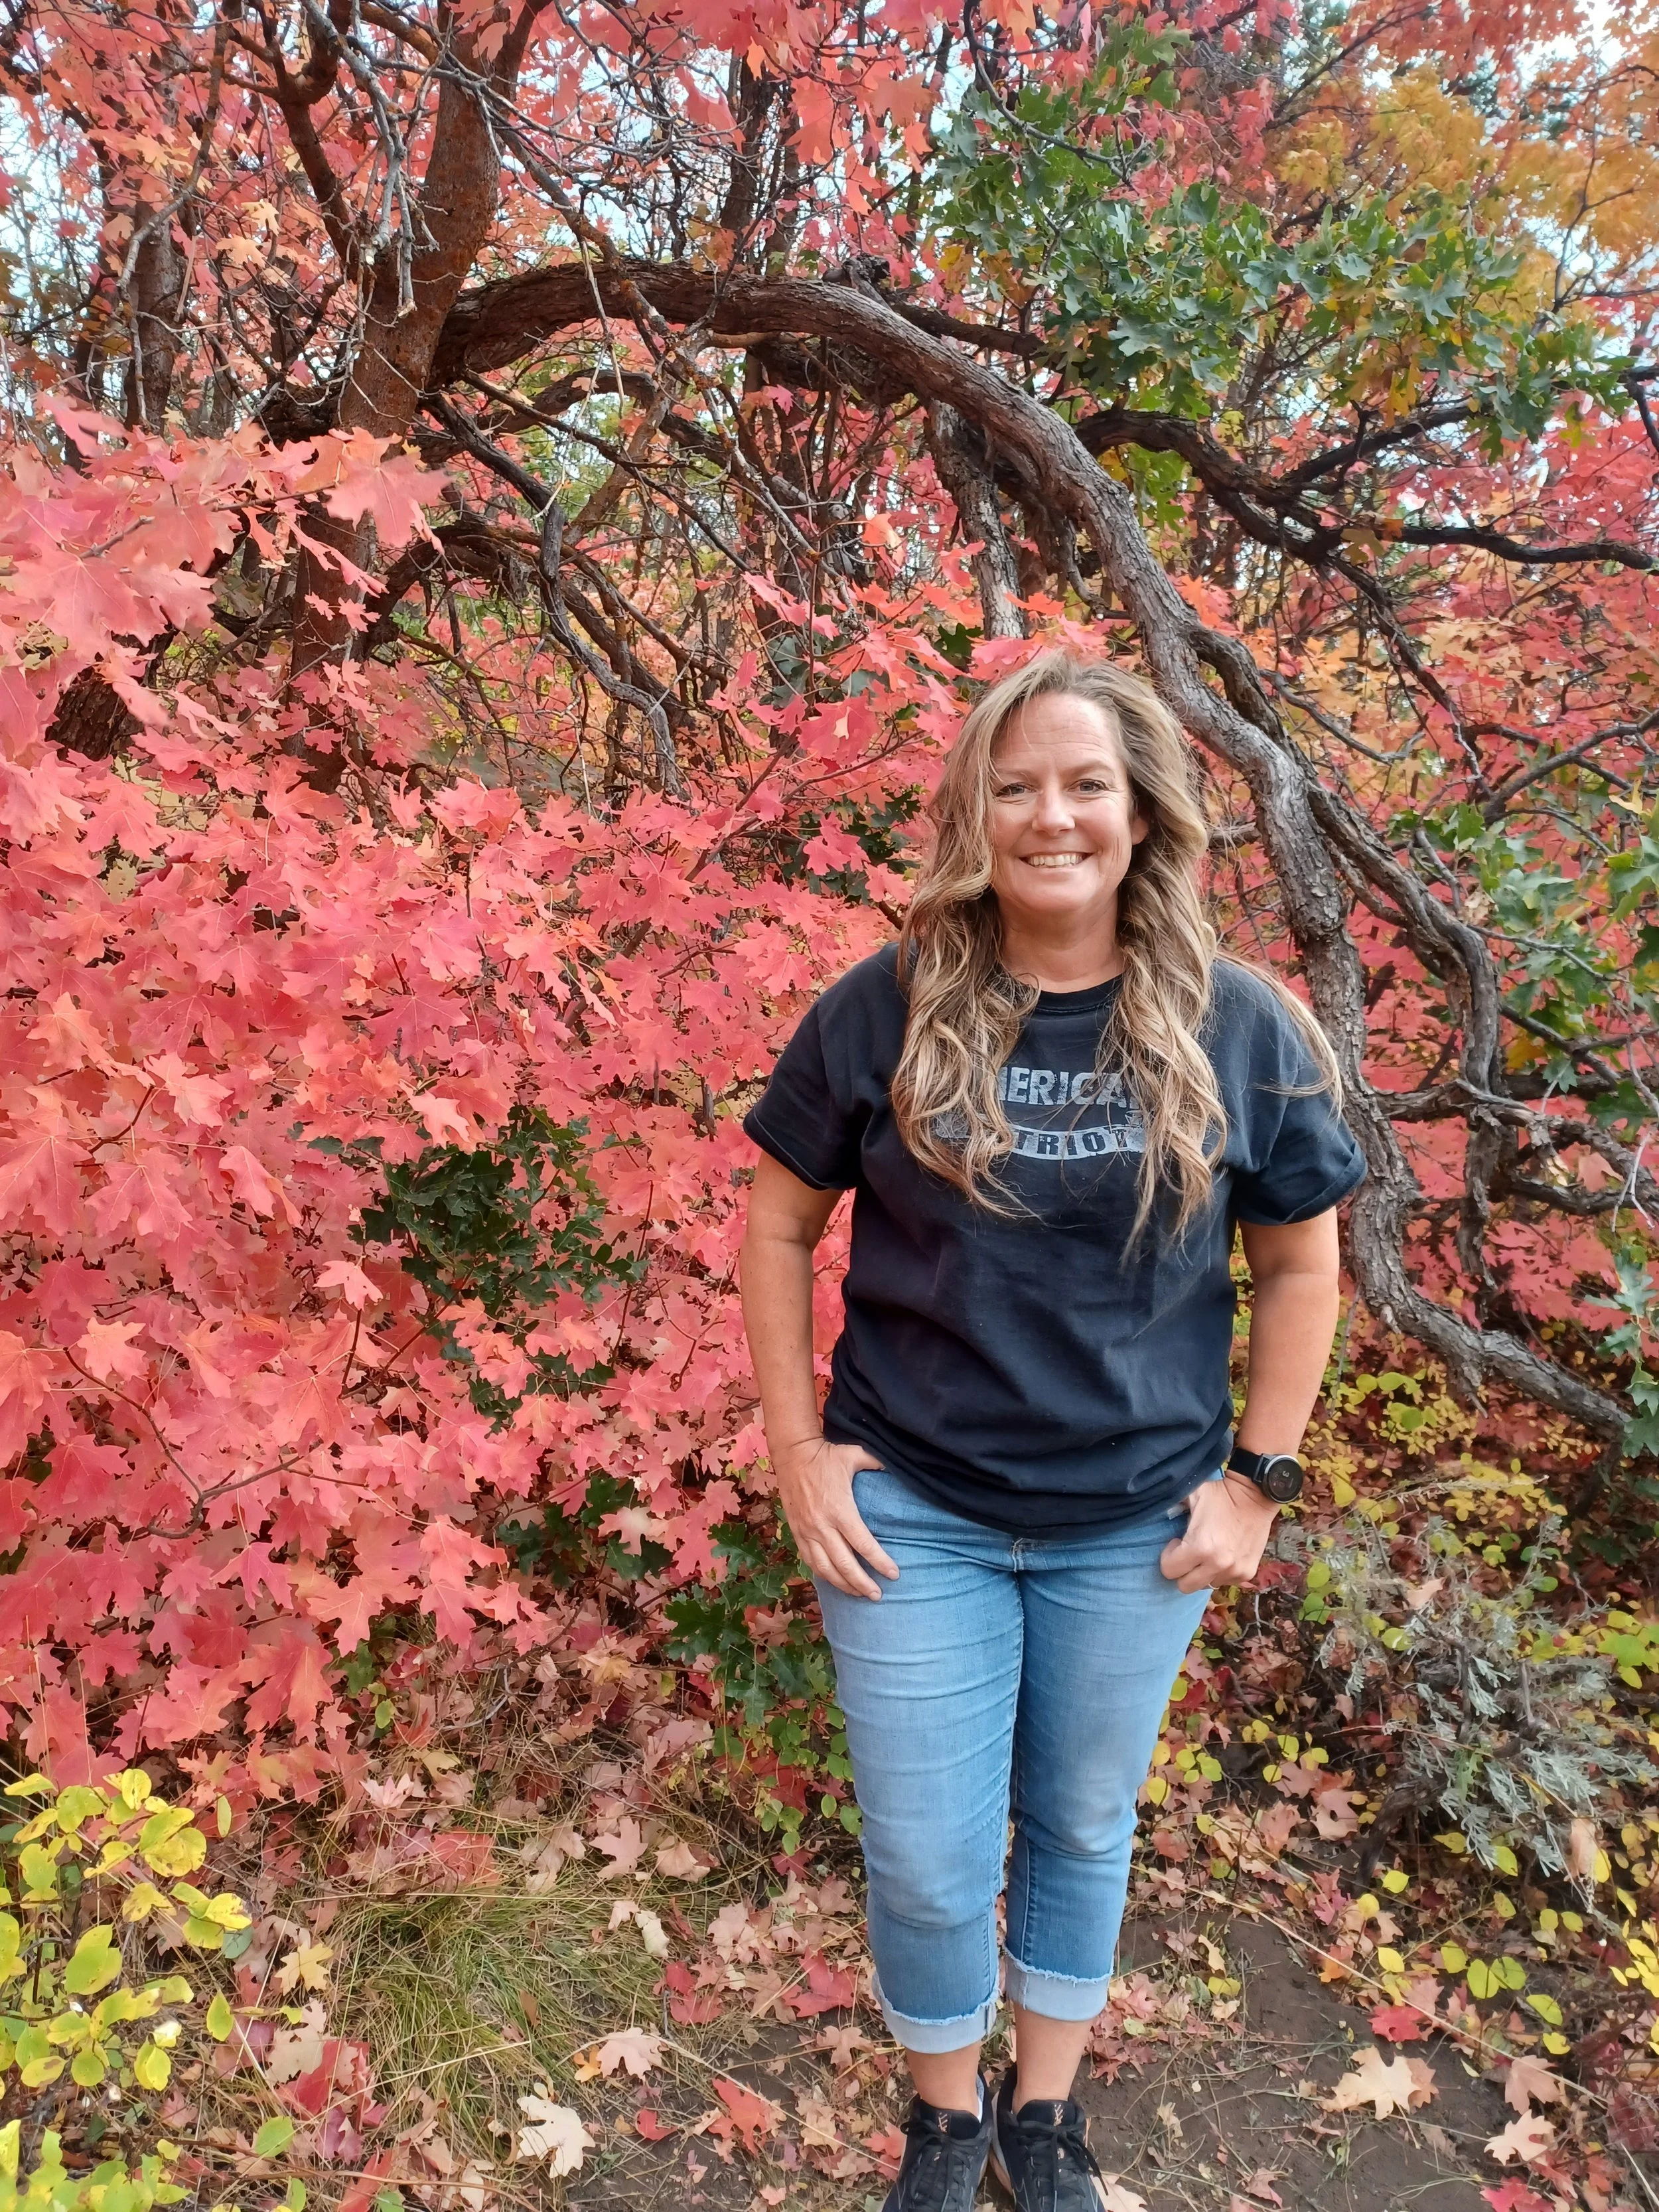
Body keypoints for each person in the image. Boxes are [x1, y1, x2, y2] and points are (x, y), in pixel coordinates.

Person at [739, 650, 1365, 2212]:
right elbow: (771, 1225)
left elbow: (1300, 1260)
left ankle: (1045, 2113)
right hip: (917, 1509)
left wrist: (1257, 1482)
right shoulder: (882, 1003)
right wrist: (794, 1446)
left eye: (1085, 782)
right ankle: (945, 2119)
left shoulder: (1242, 1025)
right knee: (927, 1856)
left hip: (1133, 1526)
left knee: (1079, 1821)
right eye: (1013, 785)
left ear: (1142, 813)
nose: (1049, 815)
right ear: (974, 811)